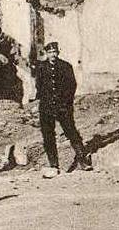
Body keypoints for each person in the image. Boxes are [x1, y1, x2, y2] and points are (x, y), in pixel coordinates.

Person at [33, 41, 92, 175]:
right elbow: (39, 86)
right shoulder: (41, 68)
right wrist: (44, 100)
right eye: (50, 52)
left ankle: (83, 160)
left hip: (63, 107)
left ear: (58, 53)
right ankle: (53, 165)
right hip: (46, 107)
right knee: (48, 136)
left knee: (71, 132)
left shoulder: (65, 66)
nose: (52, 55)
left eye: (54, 52)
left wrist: (65, 103)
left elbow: (72, 86)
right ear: (46, 54)